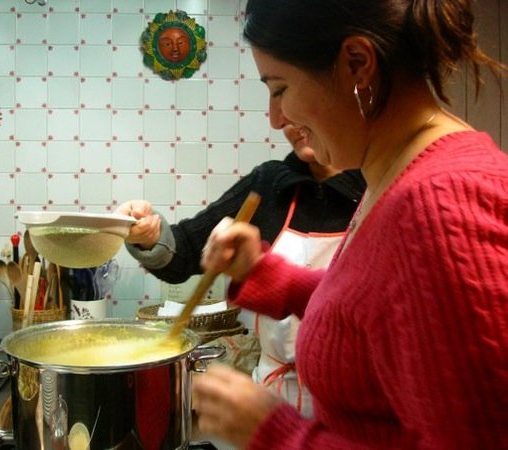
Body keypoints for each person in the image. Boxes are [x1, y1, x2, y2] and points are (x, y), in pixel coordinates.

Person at [191, 0, 508, 449]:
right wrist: (263, 275)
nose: (276, 118)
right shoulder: (397, 174)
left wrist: (274, 433)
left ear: (356, 64)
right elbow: (379, 308)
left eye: (279, 88)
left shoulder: (441, 208)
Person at [116, 124, 365, 417]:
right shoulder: (271, 183)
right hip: (272, 400)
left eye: (284, 90)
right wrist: (148, 235)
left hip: (352, 407)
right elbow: (185, 251)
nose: (280, 119)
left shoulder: (379, 187)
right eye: (272, 94)